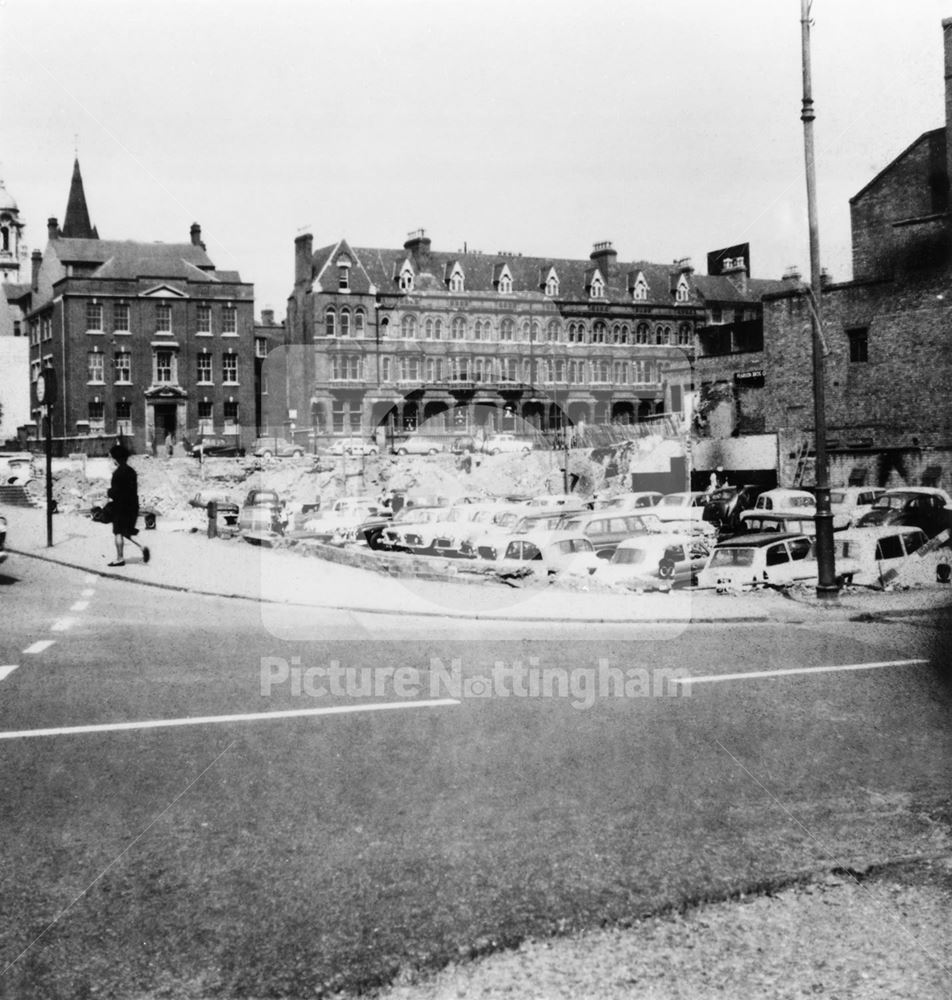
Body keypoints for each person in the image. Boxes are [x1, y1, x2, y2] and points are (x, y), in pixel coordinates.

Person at [107, 443, 150, 567]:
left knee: (118, 533)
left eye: (112, 458)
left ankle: (120, 558)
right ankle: (142, 547)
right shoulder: (132, 472)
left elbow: (115, 493)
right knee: (127, 531)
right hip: (132, 506)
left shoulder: (117, 474)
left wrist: (108, 492)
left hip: (120, 507)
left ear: (116, 459)